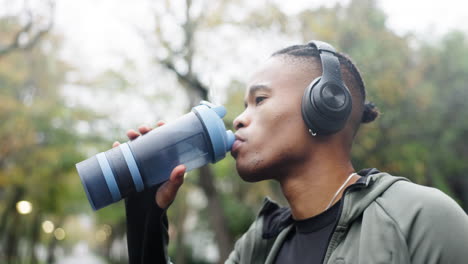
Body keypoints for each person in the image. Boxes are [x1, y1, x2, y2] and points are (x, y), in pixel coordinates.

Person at [115, 41, 468, 263]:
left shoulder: (420, 218)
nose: (238, 119)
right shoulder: (261, 242)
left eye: (260, 100)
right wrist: (146, 214)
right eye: (243, 105)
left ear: (325, 105)